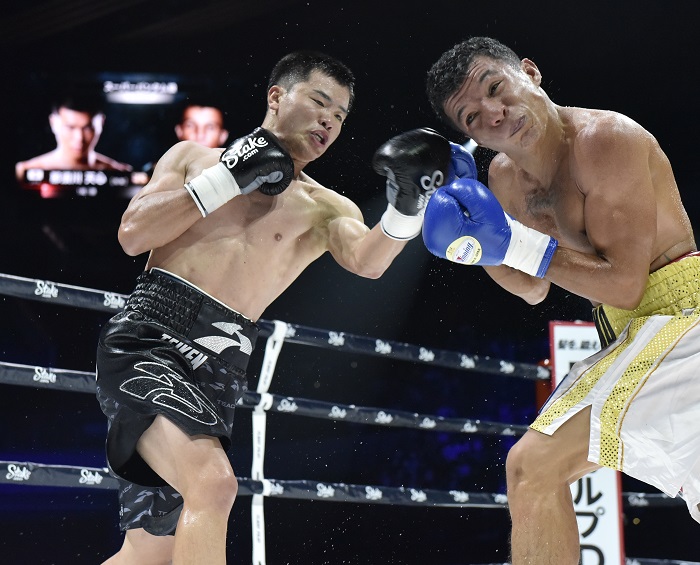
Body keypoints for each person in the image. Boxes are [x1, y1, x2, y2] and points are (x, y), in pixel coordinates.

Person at [95, 50, 451, 564]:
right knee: (213, 485)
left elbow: (368, 262)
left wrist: (407, 207)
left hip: (221, 367)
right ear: (277, 96)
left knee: (148, 553)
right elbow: (132, 235)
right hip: (150, 338)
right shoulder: (195, 158)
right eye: (320, 102)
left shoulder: (326, 206)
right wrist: (226, 179)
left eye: (340, 115)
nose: (329, 121)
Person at [420, 36, 699, 564]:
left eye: (496, 88)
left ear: (530, 72)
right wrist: (474, 240)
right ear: (469, 135)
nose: (495, 114)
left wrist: (512, 242)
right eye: (473, 117)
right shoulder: (503, 179)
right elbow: (530, 287)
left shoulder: (605, 141)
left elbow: (626, 284)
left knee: (532, 468)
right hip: (635, 334)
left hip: (683, 321)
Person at [15, 93, 132, 181]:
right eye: (70, 128)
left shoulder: (119, 173)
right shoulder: (26, 171)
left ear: (101, 123)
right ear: (53, 123)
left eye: (87, 128)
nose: (79, 138)